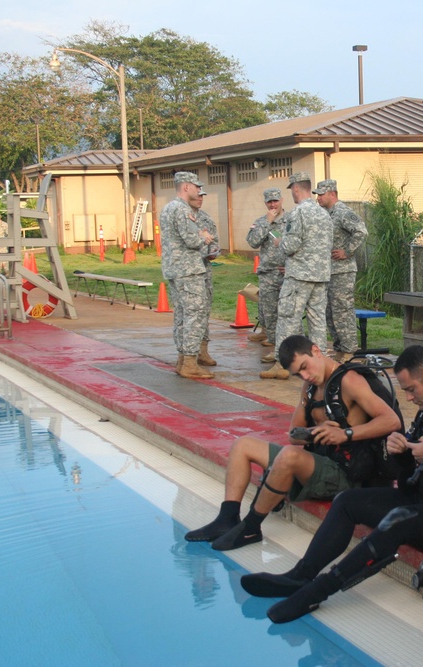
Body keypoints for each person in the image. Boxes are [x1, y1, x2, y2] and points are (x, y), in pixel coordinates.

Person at [241, 344, 423, 623]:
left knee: (397, 520)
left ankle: (317, 592)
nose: (408, 398)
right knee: (348, 502)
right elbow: (407, 482)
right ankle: (300, 576)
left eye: (411, 389)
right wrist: (403, 454)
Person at [185, 334, 402, 551]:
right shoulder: (309, 387)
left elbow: (390, 420)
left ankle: (250, 527)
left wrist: (346, 433)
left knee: (288, 455)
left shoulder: (349, 380)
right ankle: (227, 518)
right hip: (320, 463)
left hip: (347, 474)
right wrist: (315, 432)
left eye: (306, 367)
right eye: (299, 374)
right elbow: (293, 434)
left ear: (316, 351)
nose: (306, 375)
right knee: (243, 445)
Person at [260, 172, 333, 380]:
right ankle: (321, 363)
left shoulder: (297, 213)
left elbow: (291, 245)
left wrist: (279, 243)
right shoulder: (323, 213)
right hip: (320, 275)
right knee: (317, 321)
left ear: (295, 189)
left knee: (288, 318)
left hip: (299, 275)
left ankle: (281, 364)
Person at [160, 172, 216, 380]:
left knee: (182, 315)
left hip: (175, 268)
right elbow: (192, 240)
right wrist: (204, 236)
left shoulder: (168, 208)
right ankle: (190, 361)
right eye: (196, 186)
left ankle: (183, 358)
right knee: (195, 314)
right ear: (186, 187)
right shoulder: (182, 210)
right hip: (188, 268)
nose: (198, 191)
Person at [314, 179, 367, 362]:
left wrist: (347, 251)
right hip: (327, 270)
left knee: (342, 310)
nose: (318, 198)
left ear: (332, 194)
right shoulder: (324, 213)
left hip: (342, 271)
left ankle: (349, 350)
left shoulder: (343, 212)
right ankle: (338, 347)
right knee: (329, 311)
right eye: (317, 194)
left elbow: (361, 231)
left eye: (321, 194)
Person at [245, 188, 288, 362]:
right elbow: (253, 242)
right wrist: (267, 223)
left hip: (287, 272)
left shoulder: (291, 220)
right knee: (269, 313)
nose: (273, 205)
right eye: (269, 202)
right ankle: (274, 345)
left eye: (275, 201)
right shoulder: (261, 222)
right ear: (265, 203)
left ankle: (287, 349)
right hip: (268, 273)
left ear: (282, 200)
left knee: (288, 312)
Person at [191, 187, 220, 368]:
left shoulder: (206, 219)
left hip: (205, 271)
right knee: (190, 313)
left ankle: (203, 350)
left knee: (204, 310)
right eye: (198, 195)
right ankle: (188, 353)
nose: (200, 199)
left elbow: (215, 242)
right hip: (189, 272)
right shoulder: (183, 217)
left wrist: (214, 253)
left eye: (202, 196)